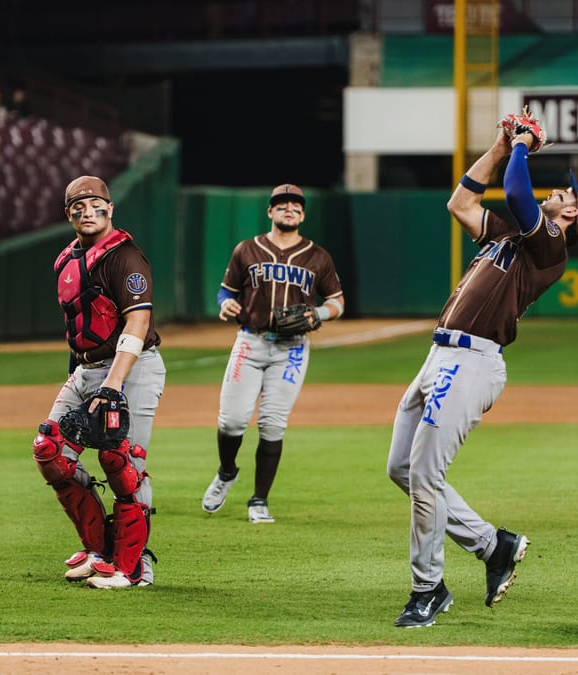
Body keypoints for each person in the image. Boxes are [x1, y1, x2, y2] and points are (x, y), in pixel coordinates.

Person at [385, 117, 578, 627]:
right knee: (402, 468)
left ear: (572, 213)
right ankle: (494, 546)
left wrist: (524, 147)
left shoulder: (549, 246)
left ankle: (428, 590)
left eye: (569, 191)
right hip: (441, 357)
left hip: (471, 361)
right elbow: (460, 203)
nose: (561, 189)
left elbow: (514, 189)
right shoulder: (516, 237)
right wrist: (500, 144)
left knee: (424, 473)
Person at [31, 175, 165, 589]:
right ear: (67, 213)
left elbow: (137, 322)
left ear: (110, 208)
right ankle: (99, 550)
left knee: (125, 465)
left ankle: (134, 567)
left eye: (95, 204)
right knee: (51, 453)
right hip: (85, 369)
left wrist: (113, 385)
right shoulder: (66, 260)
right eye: (78, 206)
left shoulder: (126, 258)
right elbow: (79, 326)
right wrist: (80, 377)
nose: (87, 212)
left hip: (132, 367)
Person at [200, 184, 345, 524]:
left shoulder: (318, 257)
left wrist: (319, 314)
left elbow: (337, 301)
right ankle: (226, 472)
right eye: (281, 205)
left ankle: (259, 500)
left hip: (291, 349)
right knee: (232, 420)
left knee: (272, 424)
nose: (289, 209)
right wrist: (225, 304)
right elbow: (226, 291)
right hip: (250, 342)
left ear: (303, 214)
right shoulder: (247, 250)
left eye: (296, 205)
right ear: (270, 212)